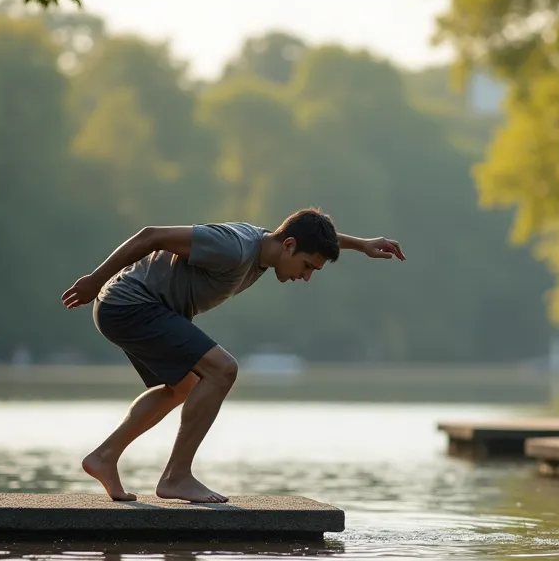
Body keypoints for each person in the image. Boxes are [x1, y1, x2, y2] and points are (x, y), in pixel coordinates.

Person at [60, 208, 405, 503]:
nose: (306, 276)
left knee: (185, 386)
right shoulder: (234, 248)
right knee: (222, 369)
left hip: (133, 307)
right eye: (307, 266)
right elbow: (150, 236)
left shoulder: (268, 247)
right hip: (130, 304)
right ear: (288, 246)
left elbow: (307, 234)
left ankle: (104, 457)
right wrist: (95, 279)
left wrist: (361, 245)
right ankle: (176, 477)